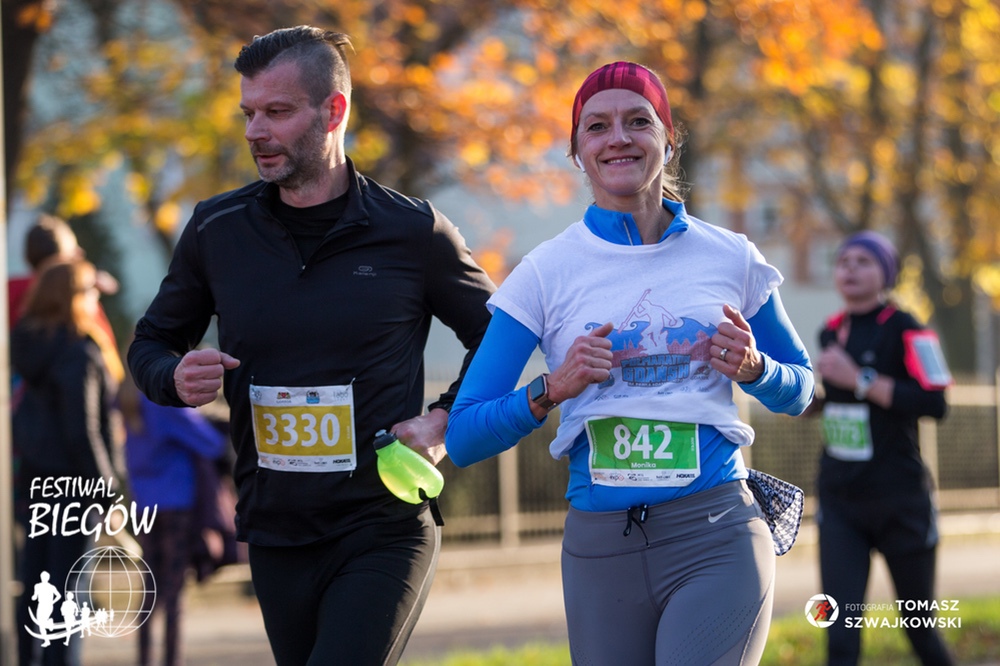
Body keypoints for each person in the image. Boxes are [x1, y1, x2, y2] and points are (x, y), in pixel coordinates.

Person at [126, 25, 495, 666]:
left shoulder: (413, 231)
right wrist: (172, 376)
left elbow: (498, 338)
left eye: (276, 112)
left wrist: (444, 420)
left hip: (382, 526)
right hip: (276, 531)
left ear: (334, 111)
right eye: (248, 113)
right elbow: (151, 343)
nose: (255, 131)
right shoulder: (217, 229)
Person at [446, 61, 815, 665]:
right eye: (597, 126)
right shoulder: (545, 272)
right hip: (601, 552)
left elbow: (801, 390)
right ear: (577, 151)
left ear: (668, 138)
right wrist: (552, 387)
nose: (618, 137)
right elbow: (463, 436)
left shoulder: (731, 256)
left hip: (715, 534)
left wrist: (756, 370)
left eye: (638, 121)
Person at [810, 231, 953, 665]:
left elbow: (936, 403)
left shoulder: (910, 329)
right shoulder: (829, 331)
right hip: (841, 502)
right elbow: (842, 404)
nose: (850, 269)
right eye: (843, 261)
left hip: (900, 500)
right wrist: (807, 402)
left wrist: (861, 379)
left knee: (920, 630)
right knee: (840, 638)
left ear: (886, 273)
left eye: (864, 261)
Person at [12, 258, 125, 666]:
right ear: (74, 296)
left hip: (34, 479)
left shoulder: (26, 345)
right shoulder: (79, 351)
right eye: (90, 291)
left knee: (34, 582)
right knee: (69, 589)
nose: (95, 299)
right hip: (75, 486)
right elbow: (84, 430)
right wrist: (108, 492)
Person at [120, 366, 228, 666]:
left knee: (149, 589)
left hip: (144, 502)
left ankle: (144, 658)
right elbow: (210, 442)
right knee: (173, 592)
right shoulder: (162, 400)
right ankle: (171, 660)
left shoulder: (127, 399)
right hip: (177, 503)